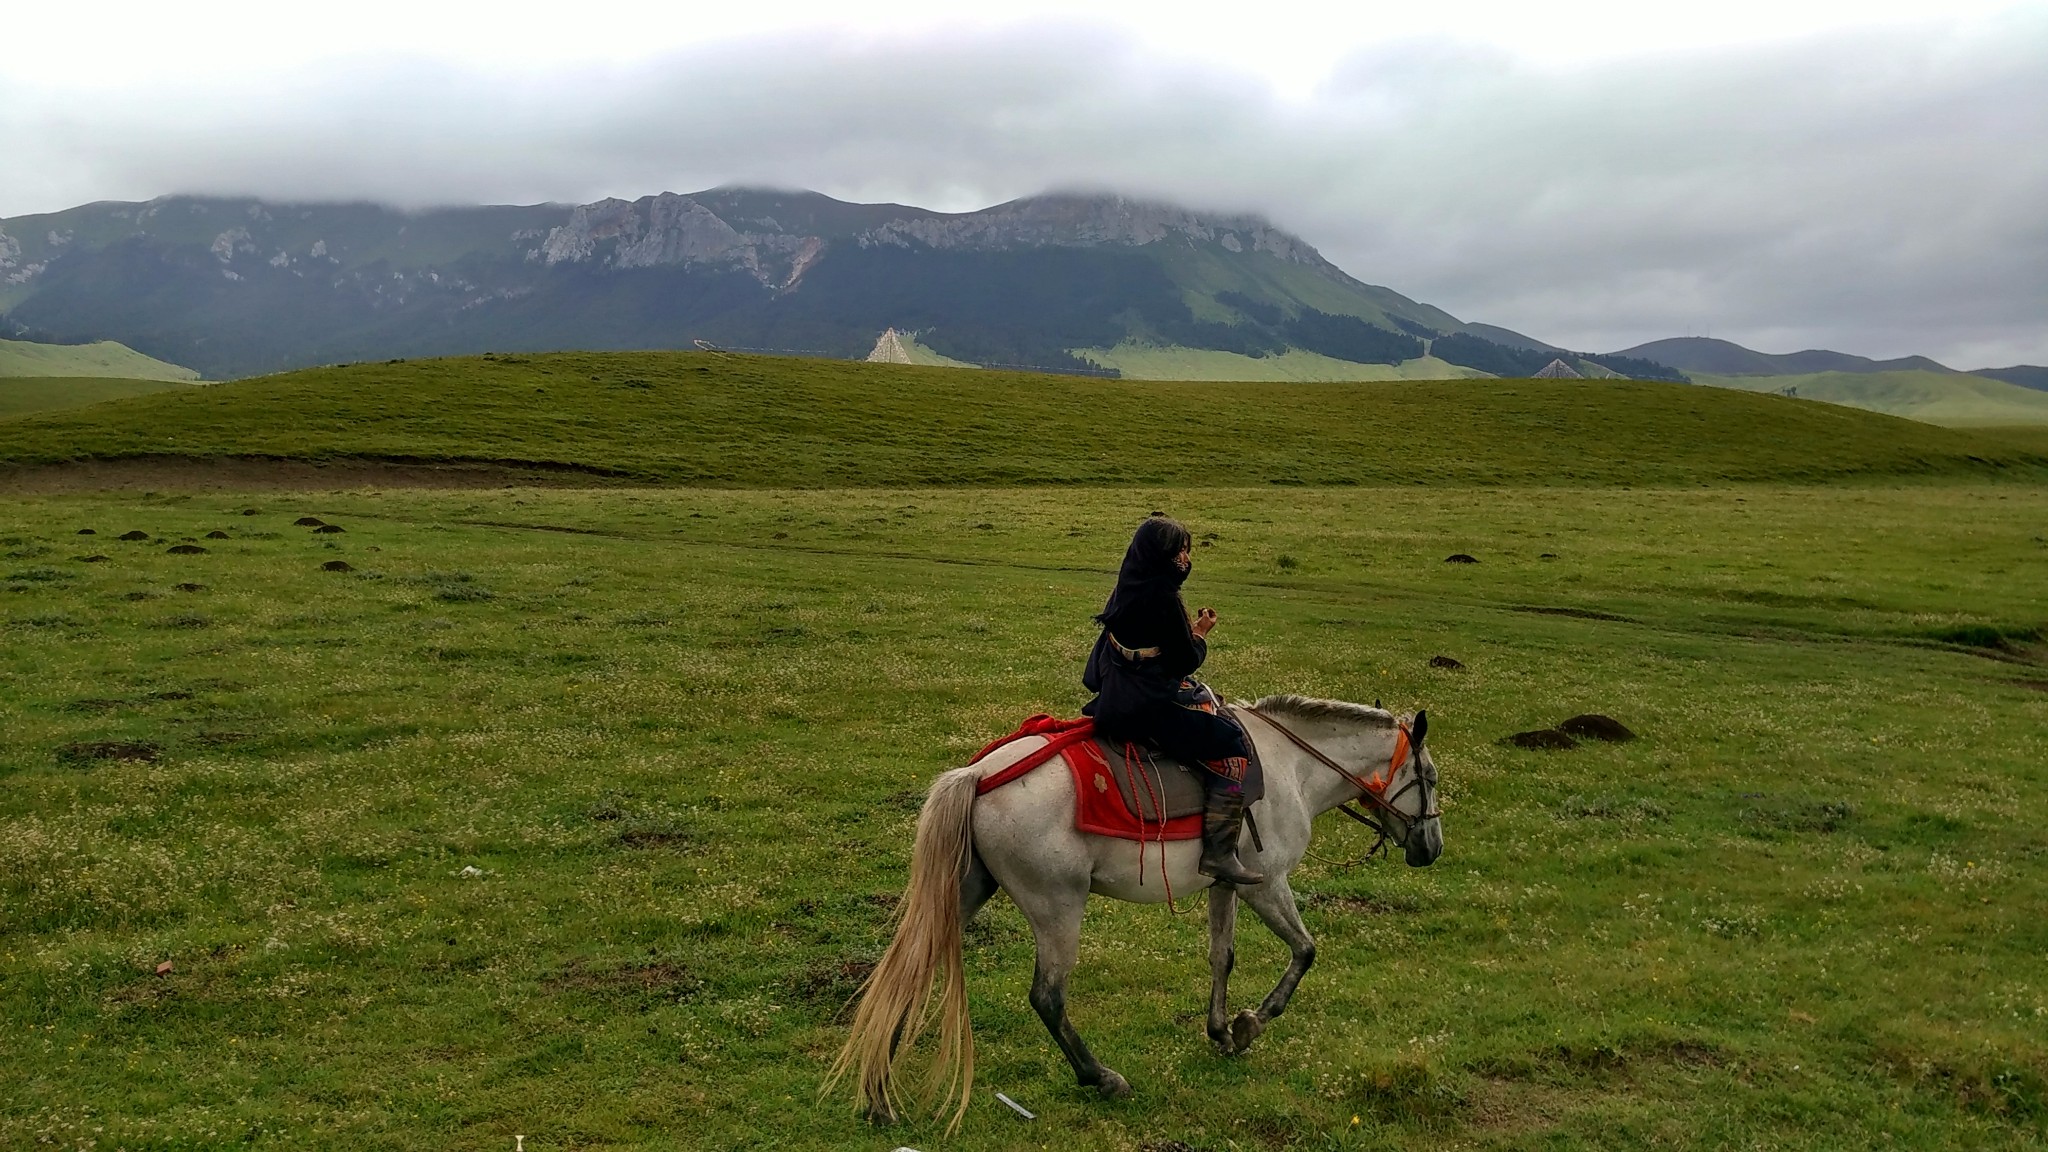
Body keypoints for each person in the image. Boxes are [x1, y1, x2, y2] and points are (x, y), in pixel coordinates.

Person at [1083, 515, 1263, 885]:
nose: (1185, 559)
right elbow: (1185, 660)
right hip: (1144, 708)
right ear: (1162, 556)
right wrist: (1200, 633)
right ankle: (1219, 855)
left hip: (1116, 693)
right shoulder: (1163, 598)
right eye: (1179, 551)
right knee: (1233, 748)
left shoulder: (1128, 583)